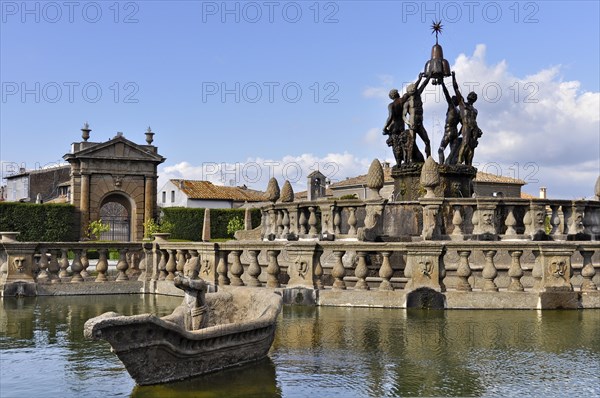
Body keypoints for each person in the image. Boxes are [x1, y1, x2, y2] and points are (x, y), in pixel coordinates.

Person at [382, 73, 426, 166]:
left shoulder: (391, 105)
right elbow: (413, 89)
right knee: (403, 144)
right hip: (401, 127)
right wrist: (420, 79)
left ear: (391, 97)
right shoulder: (403, 99)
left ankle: (399, 163)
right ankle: (406, 160)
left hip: (393, 128)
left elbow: (390, 118)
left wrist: (384, 127)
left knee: (395, 146)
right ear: (397, 94)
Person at [452, 71, 482, 166]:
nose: (472, 96)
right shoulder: (462, 104)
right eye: (471, 95)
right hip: (466, 126)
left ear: (475, 99)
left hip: (474, 128)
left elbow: (475, 121)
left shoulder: (475, 110)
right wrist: (453, 77)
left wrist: (478, 129)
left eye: (474, 96)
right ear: (468, 97)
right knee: (465, 143)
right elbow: (456, 89)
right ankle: (459, 162)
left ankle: (469, 164)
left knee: (471, 146)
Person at [403, 72, 432, 163]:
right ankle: (409, 160)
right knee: (411, 142)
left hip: (420, 123)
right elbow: (403, 116)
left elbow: (424, 84)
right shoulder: (407, 102)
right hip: (412, 123)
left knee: (427, 141)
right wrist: (408, 123)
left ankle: (429, 160)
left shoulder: (418, 95)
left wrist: (429, 76)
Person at [438, 80, 461, 164]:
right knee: (452, 153)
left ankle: (441, 166)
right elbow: (463, 124)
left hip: (448, 132)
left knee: (440, 150)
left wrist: (443, 84)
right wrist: (459, 133)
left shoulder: (452, 107)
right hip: (455, 133)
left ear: (453, 101)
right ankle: (450, 165)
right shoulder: (459, 112)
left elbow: (446, 93)